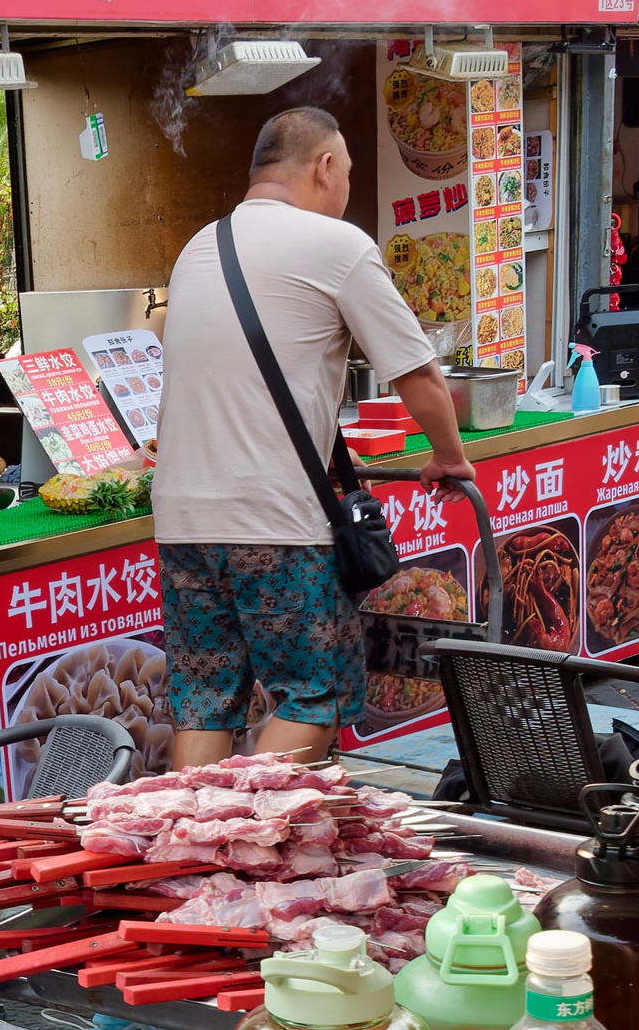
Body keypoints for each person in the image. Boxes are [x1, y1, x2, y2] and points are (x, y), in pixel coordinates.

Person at [150, 106, 478, 768]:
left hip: (182, 520)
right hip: (275, 522)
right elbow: (419, 374)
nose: (347, 188)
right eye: (348, 172)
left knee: (205, 697)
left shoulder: (196, 248)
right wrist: (449, 455)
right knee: (312, 696)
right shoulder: (338, 246)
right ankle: (242, 831)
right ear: (324, 166)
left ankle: (196, 847)